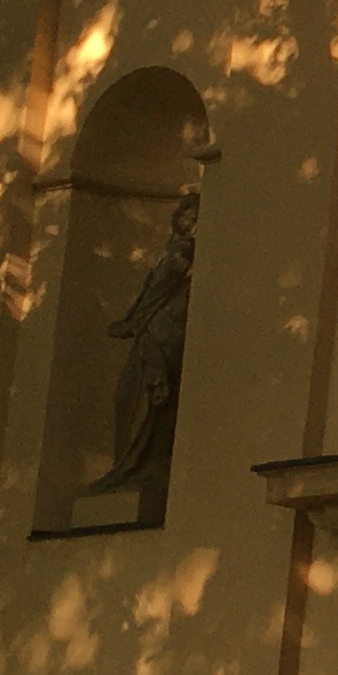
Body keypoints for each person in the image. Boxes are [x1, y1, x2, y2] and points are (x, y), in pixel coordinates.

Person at [93, 189, 199, 500]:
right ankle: (126, 466)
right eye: (185, 216)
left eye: (195, 219)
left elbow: (162, 288)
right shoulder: (172, 249)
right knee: (129, 395)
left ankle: (143, 467)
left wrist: (134, 322)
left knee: (153, 400)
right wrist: (134, 320)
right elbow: (151, 289)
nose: (188, 223)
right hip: (151, 329)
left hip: (165, 331)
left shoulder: (185, 252)